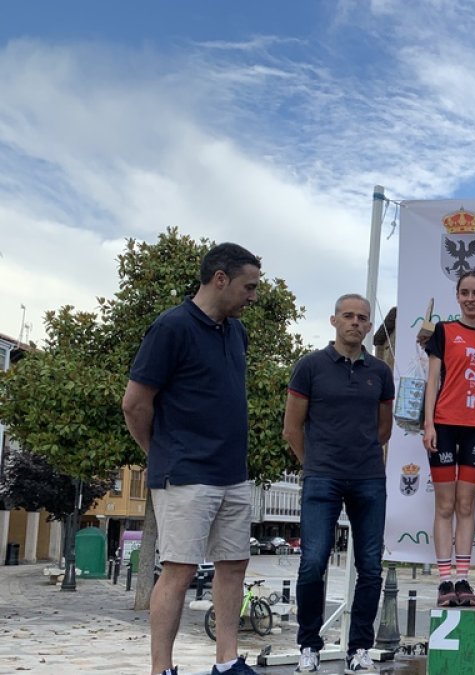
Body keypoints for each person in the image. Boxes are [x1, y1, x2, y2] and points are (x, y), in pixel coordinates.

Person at [121, 242, 262, 675]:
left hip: (233, 474)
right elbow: (135, 404)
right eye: (248, 286)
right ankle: (161, 669)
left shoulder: (236, 332)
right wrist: (160, 452)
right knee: (179, 570)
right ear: (220, 279)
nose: (252, 296)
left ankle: (227, 663)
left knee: (234, 566)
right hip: (186, 474)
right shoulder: (171, 327)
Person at [283, 293, 394, 674]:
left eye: (362, 317)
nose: (355, 322)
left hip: (368, 479)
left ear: (367, 325)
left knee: (370, 566)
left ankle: (360, 648)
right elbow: (292, 428)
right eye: (348, 316)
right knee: (312, 562)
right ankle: (309, 645)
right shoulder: (309, 367)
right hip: (322, 478)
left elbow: (384, 428)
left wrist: (358, 454)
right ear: (334, 321)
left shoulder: (379, 372)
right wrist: (314, 464)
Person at [422, 271, 475, 609]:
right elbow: (432, 378)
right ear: (457, 296)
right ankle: (443, 580)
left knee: (466, 505)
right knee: (445, 505)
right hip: (446, 425)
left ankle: (463, 577)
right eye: (465, 292)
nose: (471, 298)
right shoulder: (444, 331)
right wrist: (428, 423)